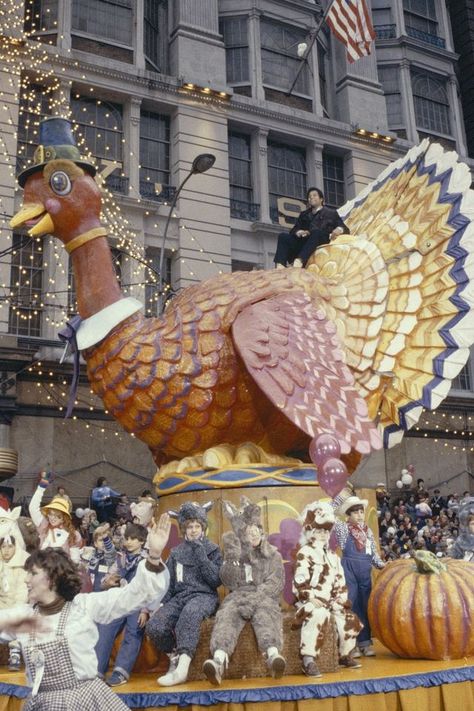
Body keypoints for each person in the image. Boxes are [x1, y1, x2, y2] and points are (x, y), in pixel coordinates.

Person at [0, 514, 170, 710]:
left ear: (53, 579)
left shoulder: (83, 606)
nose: (26, 580)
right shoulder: (23, 616)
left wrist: (154, 556)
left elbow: (132, 596)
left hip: (86, 701)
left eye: (33, 573)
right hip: (43, 704)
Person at [202, 497, 286, 686]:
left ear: (262, 531)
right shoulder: (235, 552)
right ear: (242, 534)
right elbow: (227, 580)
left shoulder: (273, 554)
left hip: (263, 595)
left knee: (265, 614)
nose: (254, 533)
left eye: (257, 529)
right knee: (227, 615)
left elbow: (276, 581)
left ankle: (273, 656)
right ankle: (218, 661)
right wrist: (231, 560)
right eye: (249, 531)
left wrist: (257, 596)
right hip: (237, 595)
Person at [146, 501, 222, 686]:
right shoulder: (176, 552)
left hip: (204, 596)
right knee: (155, 626)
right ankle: (174, 657)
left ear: (203, 528)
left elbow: (215, 581)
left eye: (197, 526)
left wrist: (200, 553)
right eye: (190, 526)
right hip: (180, 597)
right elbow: (169, 583)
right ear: (184, 529)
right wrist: (162, 604)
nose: (194, 530)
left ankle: (182, 669)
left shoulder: (213, 549)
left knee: (190, 613)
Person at [293, 501, 362, 677]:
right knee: (318, 614)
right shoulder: (304, 553)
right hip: (311, 599)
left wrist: (340, 599)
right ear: (311, 533)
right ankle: (308, 660)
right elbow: (300, 582)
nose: (323, 535)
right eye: (319, 531)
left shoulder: (333, 557)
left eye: (326, 531)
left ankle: (344, 654)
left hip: (329, 600)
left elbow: (340, 581)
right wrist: (309, 597)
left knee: (349, 617)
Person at [95, 523, 151, 686]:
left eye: (133, 539)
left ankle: (121, 671)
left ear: (142, 541)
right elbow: (110, 572)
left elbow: (151, 586)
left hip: (138, 602)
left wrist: (145, 610)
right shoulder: (121, 558)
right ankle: (98, 669)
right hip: (120, 600)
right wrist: (108, 582)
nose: (129, 542)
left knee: (134, 630)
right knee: (105, 626)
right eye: (127, 538)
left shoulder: (147, 560)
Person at [332, 495, 385, 657]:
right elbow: (328, 513)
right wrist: (339, 499)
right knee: (351, 605)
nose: (359, 515)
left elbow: (374, 554)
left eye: (361, 512)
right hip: (349, 569)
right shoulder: (343, 528)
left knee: (365, 605)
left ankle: (365, 643)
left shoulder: (367, 532)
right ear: (348, 515)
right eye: (355, 512)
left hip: (365, 571)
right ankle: (351, 645)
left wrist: (382, 566)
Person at [273, 187, 349, 269]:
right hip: (305, 243)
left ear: (321, 199)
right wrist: (299, 232)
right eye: (309, 196)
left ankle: (300, 261)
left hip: (321, 241)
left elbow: (345, 228)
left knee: (316, 232)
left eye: (314, 195)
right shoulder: (304, 214)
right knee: (283, 236)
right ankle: (280, 264)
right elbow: (293, 230)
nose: (311, 197)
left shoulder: (331, 213)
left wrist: (339, 229)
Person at [29, 471, 82, 562]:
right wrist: (42, 487)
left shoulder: (72, 534)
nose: (52, 518)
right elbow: (32, 507)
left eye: (57, 516)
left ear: (63, 518)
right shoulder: (43, 524)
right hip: (43, 568)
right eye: (50, 514)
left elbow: (75, 560)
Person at [0, 535, 29, 670]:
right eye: (3, 547)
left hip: (16, 606)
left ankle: (15, 653)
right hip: (2, 606)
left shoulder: (22, 567)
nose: (6, 550)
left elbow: (22, 592)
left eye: (10, 547)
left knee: (21, 614)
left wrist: (13, 609)